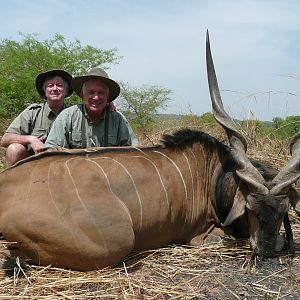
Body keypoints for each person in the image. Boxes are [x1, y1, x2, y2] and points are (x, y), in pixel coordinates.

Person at [44, 67, 133, 149]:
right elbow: (51, 150)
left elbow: (133, 152)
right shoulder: (67, 116)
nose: (96, 97)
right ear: (82, 95)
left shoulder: (118, 119)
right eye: (91, 92)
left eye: (101, 92)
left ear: (108, 96)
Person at [1, 69, 73, 167]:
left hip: (63, 164)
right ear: (45, 91)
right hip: (34, 164)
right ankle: (10, 182)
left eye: (59, 85)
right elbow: (5, 139)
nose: (55, 88)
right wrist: (32, 139)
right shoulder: (33, 112)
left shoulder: (73, 114)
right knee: (15, 149)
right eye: (50, 85)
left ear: (66, 90)